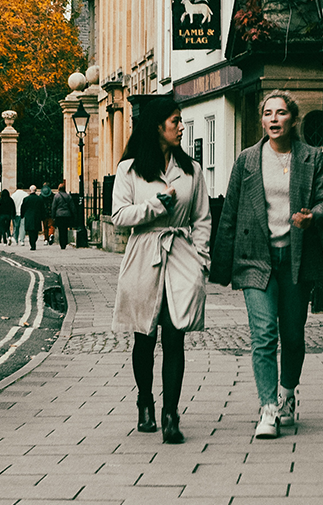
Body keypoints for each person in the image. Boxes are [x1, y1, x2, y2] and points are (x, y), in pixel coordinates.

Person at [211, 90, 323, 439]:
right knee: (264, 335)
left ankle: (287, 393)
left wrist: (313, 216)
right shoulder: (248, 160)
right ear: (262, 120)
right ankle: (268, 408)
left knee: (293, 337)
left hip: (296, 259)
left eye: (281, 113)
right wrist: (220, 265)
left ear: (292, 119)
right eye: (268, 113)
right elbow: (231, 212)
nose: (274, 119)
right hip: (256, 259)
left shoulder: (311, 158)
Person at [111, 96, 211, 444]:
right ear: (157, 126)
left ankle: (171, 414)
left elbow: (202, 218)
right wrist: (155, 206)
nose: (181, 127)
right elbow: (120, 216)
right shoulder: (130, 170)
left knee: (175, 335)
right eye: (175, 121)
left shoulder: (192, 170)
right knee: (144, 336)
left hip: (181, 254)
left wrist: (201, 260)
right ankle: (145, 401)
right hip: (144, 253)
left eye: (181, 121)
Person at [52, 182, 76, 249]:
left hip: (59, 215)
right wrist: (74, 214)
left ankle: (62, 243)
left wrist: (53, 216)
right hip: (67, 215)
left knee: (60, 229)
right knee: (65, 229)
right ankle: (65, 242)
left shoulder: (56, 196)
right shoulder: (68, 196)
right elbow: (72, 206)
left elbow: (54, 207)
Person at [21, 185, 44, 250]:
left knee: (30, 232)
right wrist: (42, 217)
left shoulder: (26, 199)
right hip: (37, 217)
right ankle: (34, 242)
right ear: (36, 190)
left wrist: (22, 215)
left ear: (29, 190)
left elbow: (23, 208)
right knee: (36, 231)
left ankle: (32, 244)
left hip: (29, 217)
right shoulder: (39, 199)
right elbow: (42, 208)